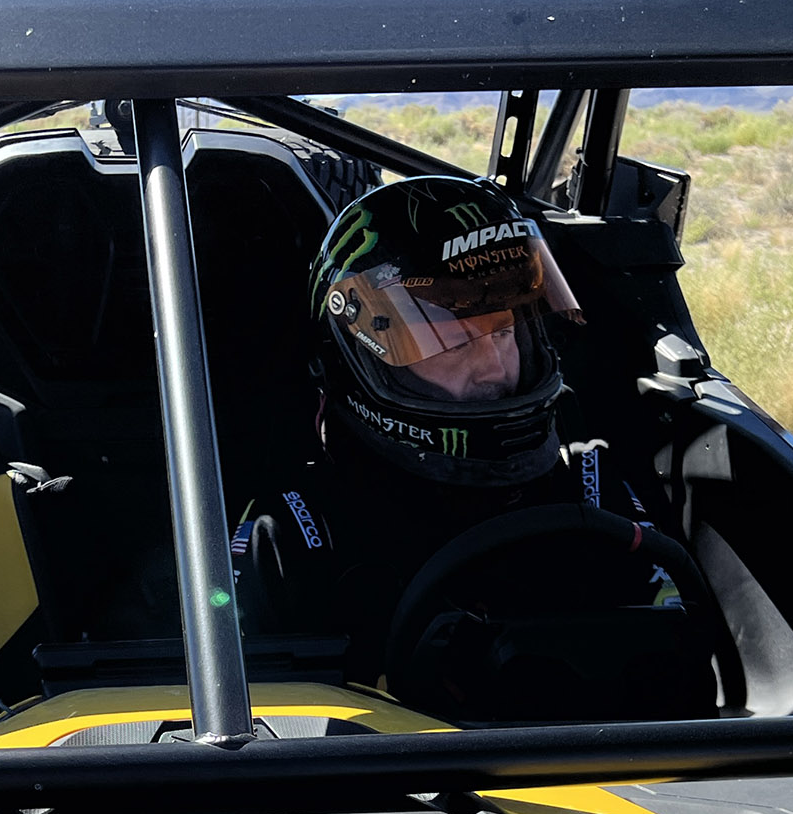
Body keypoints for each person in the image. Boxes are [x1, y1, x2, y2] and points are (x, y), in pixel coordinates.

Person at [230, 175, 714, 721]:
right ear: (363, 359)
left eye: (503, 332)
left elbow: (686, 665)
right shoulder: (295, 534)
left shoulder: (591, 486)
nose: (493, 369)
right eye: (454, 342)